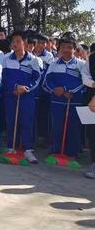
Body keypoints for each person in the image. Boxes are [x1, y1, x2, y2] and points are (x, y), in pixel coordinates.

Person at [0, 31, 41, 164]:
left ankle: (28, 149)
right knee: (11, 121)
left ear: (25, 42)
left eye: (18, 41)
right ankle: (11, 147)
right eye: (13, 41)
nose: (15, 44)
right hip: (11, 95)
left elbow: (37, 78)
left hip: (27, 96)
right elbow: (4, 78)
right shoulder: (6, 59)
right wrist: (15, 87)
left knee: (26, 121)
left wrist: (25, 88)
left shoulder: (34, 60)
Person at [44, 35, 86, 162]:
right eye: (63, 47)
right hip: (57, 100)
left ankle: (71, 152)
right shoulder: (53, 64)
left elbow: (84, 82)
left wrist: (69, 91)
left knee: (73, 127)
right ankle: (57, 150)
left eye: (69, 47)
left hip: (74, 101)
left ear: (75, 49)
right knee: (57, 126)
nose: (66, 50)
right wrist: (56, 90)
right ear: (59, 48)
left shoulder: (81, 64)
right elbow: (46, 81)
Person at [33, 34, 55, 144]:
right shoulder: (29, 54)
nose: (41, 45)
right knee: (31, 114)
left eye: (44, 43)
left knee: (43, 114)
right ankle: (32, 137)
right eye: (39, 42)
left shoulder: (49, 56)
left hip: (44, 91)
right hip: (31, 90)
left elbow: (49, 74)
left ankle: (43, 137)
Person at [83, 49, 95, 179]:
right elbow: (84, 75)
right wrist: (92, 83)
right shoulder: (91, 58)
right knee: (92, 133)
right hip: (91, 99)